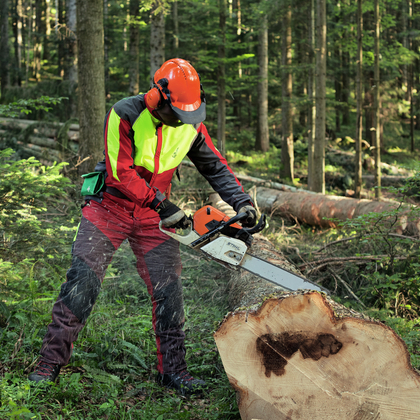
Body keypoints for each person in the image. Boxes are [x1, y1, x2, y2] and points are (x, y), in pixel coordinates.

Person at [28, 58, 257, 395]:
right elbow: (120, 172)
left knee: (169, 291)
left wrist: (242, 202)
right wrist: (163, 205)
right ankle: (48, 365)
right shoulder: (125, 113)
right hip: (109, 207)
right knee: (83, 283)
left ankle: (174, 371)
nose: (182, 121)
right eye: (177, 113)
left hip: (154, 216)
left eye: (188, 115)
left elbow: (215, 166)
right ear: (157, 97)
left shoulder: (190, 125)